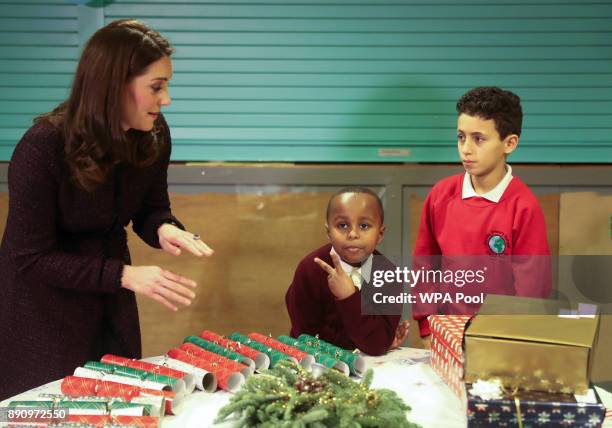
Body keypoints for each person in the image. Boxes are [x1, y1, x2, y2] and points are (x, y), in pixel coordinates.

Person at [0, 19, 213, 399]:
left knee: (118, 402)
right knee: (53, 411)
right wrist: (124, 276)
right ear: (115, 85)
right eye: (156, 87)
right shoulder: (42, 147)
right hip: (41, 314)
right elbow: (28, 258)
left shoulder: (154, 133)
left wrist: (164, 228)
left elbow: (151, 208)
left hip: (110, 302)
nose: (166, 100)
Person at [412, 87, 551, 347]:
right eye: (461, 137)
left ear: (509, 143)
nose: (466, 149)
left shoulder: (524, 207)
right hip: (445, 335)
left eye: (479, 139)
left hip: (501, 341)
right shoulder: (441, 195)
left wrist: (513, 342)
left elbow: (532, 291)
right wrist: (427, 325)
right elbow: (424, 267)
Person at [285, 187, 409, 356]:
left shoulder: (389, 275)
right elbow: (304, 338)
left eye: (364, 226)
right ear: (328, 232)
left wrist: (349, 297)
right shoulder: (310, 269)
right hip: (318, 366)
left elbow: (378, 344)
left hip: (371, 366)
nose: (352, 234)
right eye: (342, 225)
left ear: (380, 234)